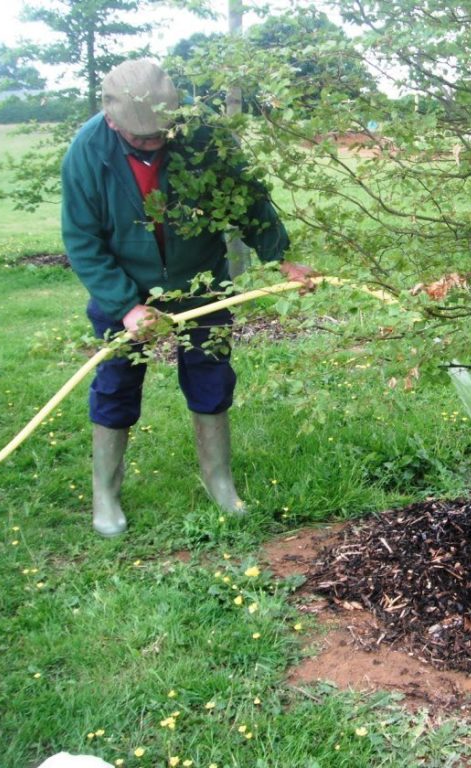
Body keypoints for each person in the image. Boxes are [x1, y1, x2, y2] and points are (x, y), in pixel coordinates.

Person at [61, 59, 313, 536]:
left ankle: (218, 480)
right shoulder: (87, 151)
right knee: (115, 383)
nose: (155, 143)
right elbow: (82, 240)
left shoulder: (203, 135)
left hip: (201, 281)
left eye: (162, 132)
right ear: (112, 120)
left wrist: (281, 256)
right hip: (125, 288)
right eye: (142, 138)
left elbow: (249, 198)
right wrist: (126, 305)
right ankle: (105, 496)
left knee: (210, 375)